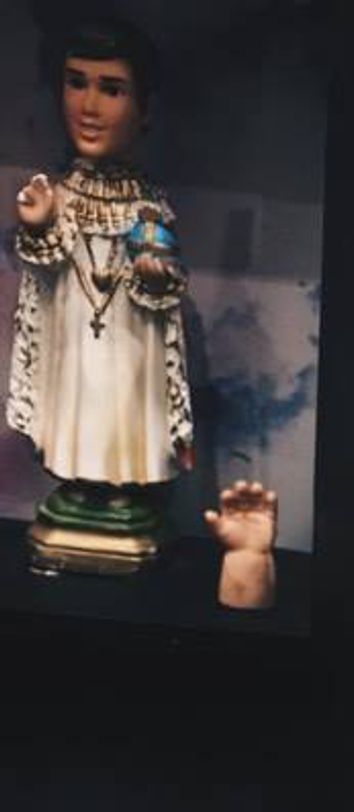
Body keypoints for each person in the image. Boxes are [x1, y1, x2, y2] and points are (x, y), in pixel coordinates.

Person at [6, 15, 191, 549]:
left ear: (145, 108)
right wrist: (40, 224)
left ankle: (119, 488)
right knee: (75, 401)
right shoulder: (57, 193)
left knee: (122, 404)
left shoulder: (147, 205)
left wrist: (155, 273)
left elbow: (163, 279)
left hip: (128, 347)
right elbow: (42, 278)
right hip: (71, 345)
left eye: (111, 89)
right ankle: (77, 480)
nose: (88, 106)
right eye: (76, 82)